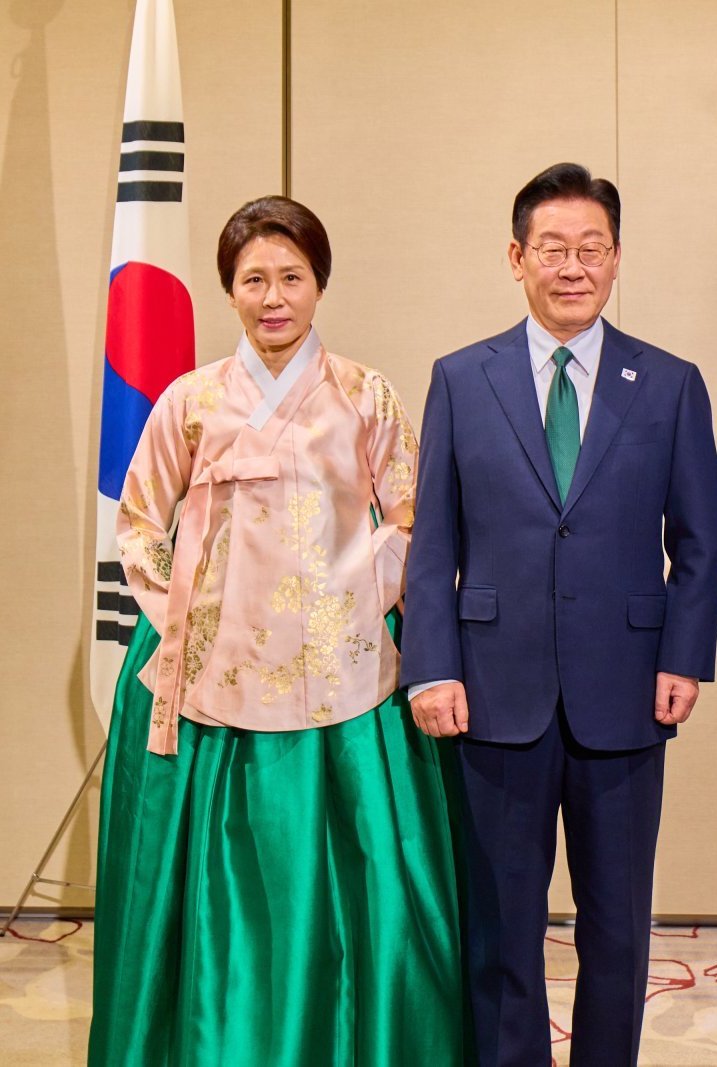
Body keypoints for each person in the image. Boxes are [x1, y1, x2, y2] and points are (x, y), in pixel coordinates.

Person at [89, 196, 468, 1066]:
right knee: (214, 891)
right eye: (253, 278)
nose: (274, 297)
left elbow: (415, 521)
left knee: (360, 883)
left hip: (345, 664)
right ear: (228, 290)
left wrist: (345, 601)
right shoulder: (189, 399)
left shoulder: (366, 393)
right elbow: (140, 522)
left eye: (291, 277)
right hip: (212, 665)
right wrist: (193, 610)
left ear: (319, 285)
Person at [400, 162, 717, 1067]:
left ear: (617, 258)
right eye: (553, 248)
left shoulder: (667, 383)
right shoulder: (463, 378)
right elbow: (434, 543)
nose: (572, 266)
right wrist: (432, 665)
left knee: (617, 926)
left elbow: (701, 542)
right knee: (501, 925)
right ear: (516, 257)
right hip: (492, 691)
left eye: (592, 249)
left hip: (625, 691)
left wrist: (683, 656)